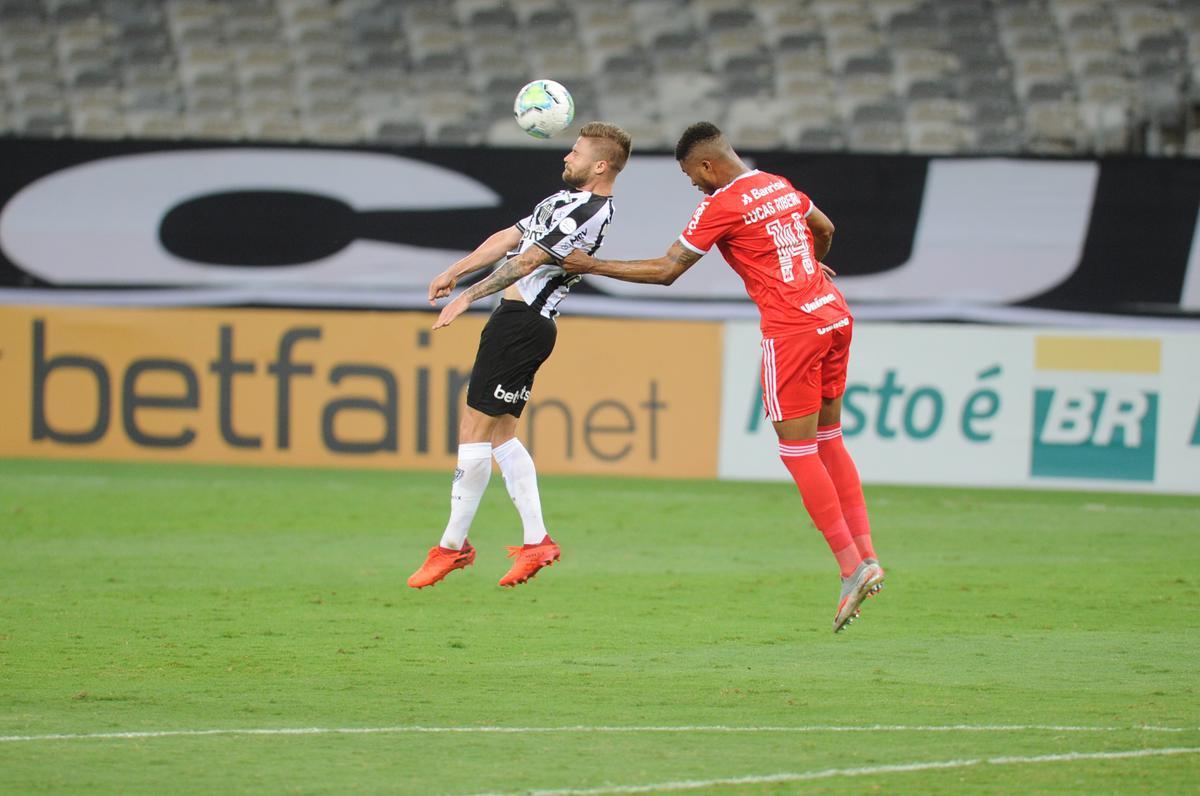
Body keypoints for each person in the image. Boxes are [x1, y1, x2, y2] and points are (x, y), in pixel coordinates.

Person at [563, 122, 883, 632]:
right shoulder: (777, 183)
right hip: (834, 315)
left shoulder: (720, 204)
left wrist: (591, 265)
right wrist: (807, 270)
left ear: (708, 165)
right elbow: (824, 230)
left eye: (692, 174)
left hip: (793, 330)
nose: (693, 184)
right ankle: (867, 556)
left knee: (797, 451)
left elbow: (669, 269)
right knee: (829, 438)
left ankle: (851, 566)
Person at [407, 121, 631, 590]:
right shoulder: (561, 201)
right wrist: (455, 271)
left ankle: (451, 546)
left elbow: (528, 262)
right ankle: (537, 541)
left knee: (473, 429)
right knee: (501, 436)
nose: (566, 157)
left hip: (522, 324)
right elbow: (509, 239)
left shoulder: (591, 211)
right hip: (517, 323)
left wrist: (466, 297)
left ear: (600, 165)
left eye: (575, 152)